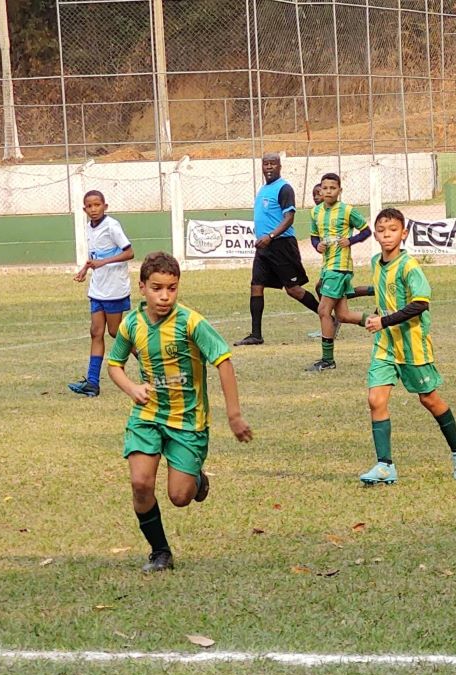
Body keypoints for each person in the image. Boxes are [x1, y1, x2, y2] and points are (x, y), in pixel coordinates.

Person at [108, 252, 253, 572]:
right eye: (157, 288)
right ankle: (160, 552)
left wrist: (234, 416)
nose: (164, 296)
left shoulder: (191, 322)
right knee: (141, 483)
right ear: (142, 287)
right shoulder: (131, 324)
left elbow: (223, 361)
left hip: (188, 421)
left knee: (179, 496)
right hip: (147, 416)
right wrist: (132, 388)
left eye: (172, 288)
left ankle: (196, 480)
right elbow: (114, 365)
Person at [358, 208, 456, 486]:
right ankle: (385, 465)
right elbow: (382, 287)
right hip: (385, 345)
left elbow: (420, 303)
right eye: (382, 230)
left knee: (429, 399)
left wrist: (383, 320)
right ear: (375, 234)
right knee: (376, 400)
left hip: (412, 346)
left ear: (404, 233)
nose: (387, 235)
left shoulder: (410, 266)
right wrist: (344, 292)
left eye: (393, 230)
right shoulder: (376, 262)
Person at [234, 152, 320, 346]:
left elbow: (289, 217)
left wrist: (271, 235)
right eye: (266, 164)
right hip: (263, 248)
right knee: (256, 286)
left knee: (293, 290)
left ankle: (326, 317)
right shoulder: (263, 189)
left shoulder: (284, 188)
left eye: (273, 164)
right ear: (262, 167)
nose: (269, 167)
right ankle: (256, 334)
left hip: (281, 245)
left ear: (280, 166)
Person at [68, 190, 134, 398]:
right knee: (96, 332)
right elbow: (95, 256)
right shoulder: (89, 228)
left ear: (105, 206)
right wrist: (85, 269)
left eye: (97, 205)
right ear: (84, 209)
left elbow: (129, 252)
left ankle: (152, 367)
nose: (94, 209)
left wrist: (102, 263)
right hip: (97, 289)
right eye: (89, 206)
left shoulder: (112, 226)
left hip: (114, 289)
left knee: (115, 333)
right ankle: (92, 383)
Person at [307, 172, 372, 371]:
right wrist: (317, 246)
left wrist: (351, 241)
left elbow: (367, 231)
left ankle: (328, 360)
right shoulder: (315, 212)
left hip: (340, 266)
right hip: (328, 266)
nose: (328, 191)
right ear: (320, 190)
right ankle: (381, 321)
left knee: (323, 310)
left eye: (332, 188)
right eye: (325, 188)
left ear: (340, 191)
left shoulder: (347, 211)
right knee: (343, 315)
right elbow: (314, 237)